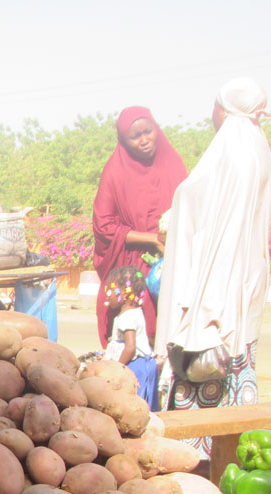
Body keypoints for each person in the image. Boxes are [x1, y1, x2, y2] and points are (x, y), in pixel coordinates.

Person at [155, 77, 271, 455]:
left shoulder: (230, 150)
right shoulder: (260, 149)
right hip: (244, 282)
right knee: (235, 369)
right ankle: (231, 463)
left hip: (215, 290)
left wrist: (171, 220)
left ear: (224, 109)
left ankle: (202, 471)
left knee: (202, 379)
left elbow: (193, 203)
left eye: (214, 106)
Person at [91, 107, 187, 348]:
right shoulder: (115, 171)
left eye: (148, 132)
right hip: (135, 263)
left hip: (173, 258)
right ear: (123, 140)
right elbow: (104, 225)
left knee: (177, 331)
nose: (144, 140)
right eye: (135, 136)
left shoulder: (172, 163)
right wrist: (153, 239)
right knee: (141, 334)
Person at [102, 265, 159, 410]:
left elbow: (130, 347)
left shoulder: (127, 317)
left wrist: (117, 368)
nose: (108, 294)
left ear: (125, 294)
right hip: (143, 363)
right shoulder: (135, 312)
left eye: (111, 290)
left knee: (133, 406)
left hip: (135, 365)